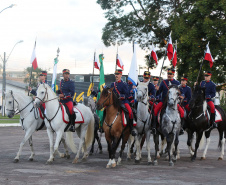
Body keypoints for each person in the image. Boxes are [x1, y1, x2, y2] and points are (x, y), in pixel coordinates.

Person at [153, 68, 185, 134]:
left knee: (182, 113)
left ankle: (180, 128)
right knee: (155, 111)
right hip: (164, 101)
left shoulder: (177, 83)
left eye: (170, 74)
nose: (169, 75)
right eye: (168, 74)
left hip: (174, 102)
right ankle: (154, 127)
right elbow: (158, 93)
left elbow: (181, 92)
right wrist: (157, 90)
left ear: (173, 75)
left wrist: (182, 96)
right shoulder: (163, 82)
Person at [110, 69, 136, 136]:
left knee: (130, 112)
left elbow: (127, 94)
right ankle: (102, 126)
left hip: (123, 102)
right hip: (114, 103)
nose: (116, 75)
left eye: (118, 74)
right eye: (116, 74)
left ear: (121, 75)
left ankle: (131, 128)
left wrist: (122, 96)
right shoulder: (112, 84)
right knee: (105, 110)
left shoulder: (124, 84)